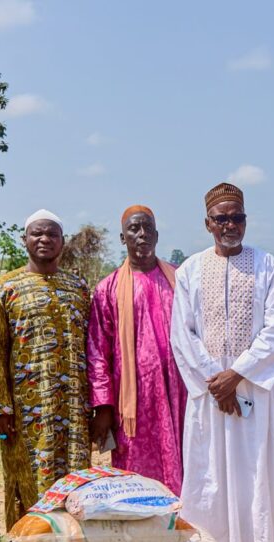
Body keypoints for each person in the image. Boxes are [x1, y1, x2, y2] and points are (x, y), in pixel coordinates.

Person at [171, 183, 274, 542]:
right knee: (210, 472)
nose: (229, 224)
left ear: (246, 220)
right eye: (221, 218)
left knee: (255, 470)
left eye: (236, 217)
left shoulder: (268, 266)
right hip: (209, 395)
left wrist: (236, 376)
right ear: (207, 223)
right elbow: (182, 335)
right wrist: (215, 384)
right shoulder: (190, 270)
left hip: (253, 389)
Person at [0, 209, 91, 529]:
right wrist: (0, 406)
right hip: (26, 407)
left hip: (74, 405)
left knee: (76, 472)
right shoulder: (4, 288)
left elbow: (93, 344)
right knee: (31, 472)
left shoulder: (78, 287)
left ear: (63, 242)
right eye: (37, 234)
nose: (44, 239)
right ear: (25, 240)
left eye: (52, 234)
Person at [87, 205, 186, 494]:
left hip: (179, 393)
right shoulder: (108, 289)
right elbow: (97, 351)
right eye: (134, 229)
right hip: (133, 401)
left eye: (147, 228)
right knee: (136, 475)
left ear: (157, 235)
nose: (141, 234)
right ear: (123, 237)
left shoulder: (181, 279)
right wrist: (103, 406)